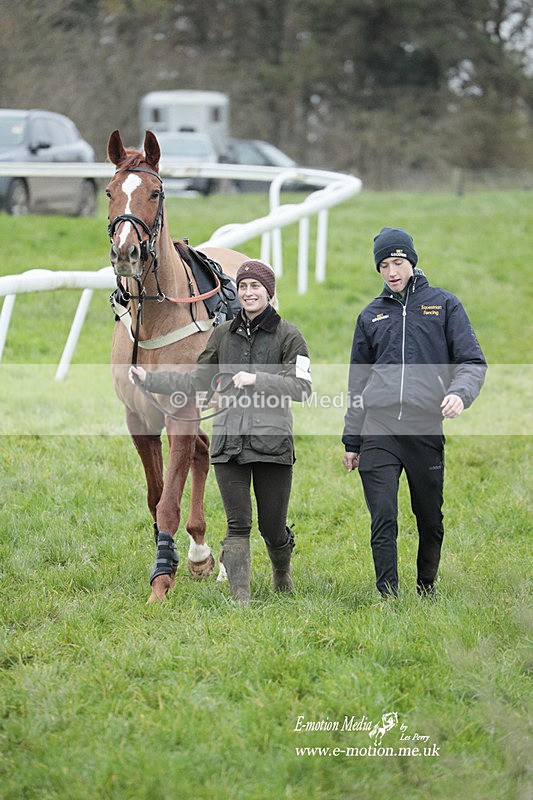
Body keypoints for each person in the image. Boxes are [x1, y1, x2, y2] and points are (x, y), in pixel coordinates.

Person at [130, 259, 312, 605]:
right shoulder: (222, 334)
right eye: (242, 287)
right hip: (229, 444)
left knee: (272, 528)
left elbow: (303, 386)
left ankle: (282, 576)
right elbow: (195, 380)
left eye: (255, 287)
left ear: (268, 293)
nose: (248, 293)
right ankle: (240, 601)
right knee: (237, 524)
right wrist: (149, 380)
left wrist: (258, 380)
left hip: (272, 443)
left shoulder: (289, 335)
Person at [342, 227, 486, 599]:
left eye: (398, 262)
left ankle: (427, 587)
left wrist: (459, 393)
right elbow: (357, 383)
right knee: (384, 516)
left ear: (412, 262)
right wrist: (351, 440)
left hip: (425, 428)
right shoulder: (370, 316)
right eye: (385, 265)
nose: (392, 271)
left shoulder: (444, 305)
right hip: (380, 429)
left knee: (430, 519)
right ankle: (387, 596)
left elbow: (471, 361)